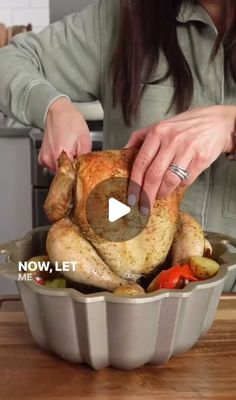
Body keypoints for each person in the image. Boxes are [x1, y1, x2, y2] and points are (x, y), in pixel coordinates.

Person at [0, 0, 235, 236]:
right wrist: (53, 108)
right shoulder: (123, 13)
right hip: (128, 259)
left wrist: (231, 126)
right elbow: (9, 61)